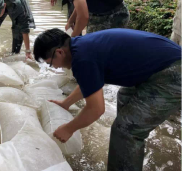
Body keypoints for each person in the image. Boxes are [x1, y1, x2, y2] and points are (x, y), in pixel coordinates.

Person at [33, 28, 181, 171]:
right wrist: (67, 103)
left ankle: (127, 151)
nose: (55, 67)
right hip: (161, 65)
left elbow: (96, 110)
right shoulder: (80, 47)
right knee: (124, 96)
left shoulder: (82, 58)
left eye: (50, 63)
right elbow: (90, 82)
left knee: (125, 130)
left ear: (59, 52)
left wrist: (68, 128)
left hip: (172, 72)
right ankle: (131, 151)